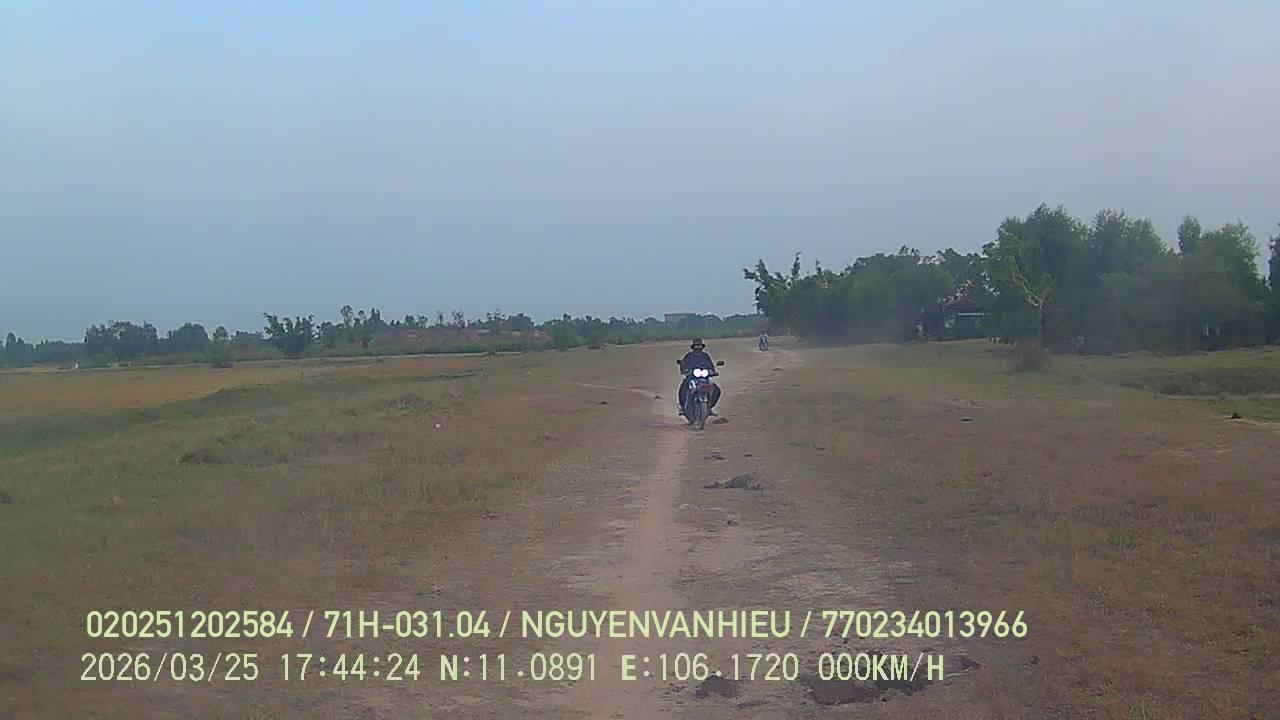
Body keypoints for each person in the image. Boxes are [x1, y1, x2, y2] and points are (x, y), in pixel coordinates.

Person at [677, 338, 721, 416]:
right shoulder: (689, 356)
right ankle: (682, 407)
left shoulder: (705, 356)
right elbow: (683, 366)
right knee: (683, 388)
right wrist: (685, 370)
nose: (698, 347)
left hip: (704, 378)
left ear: (702, 347)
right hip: (691, 378)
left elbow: (711, 367)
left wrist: (713, 372)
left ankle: (709, 407)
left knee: (717, 390)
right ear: (693, 347)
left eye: (699, 346)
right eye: (696, 346)